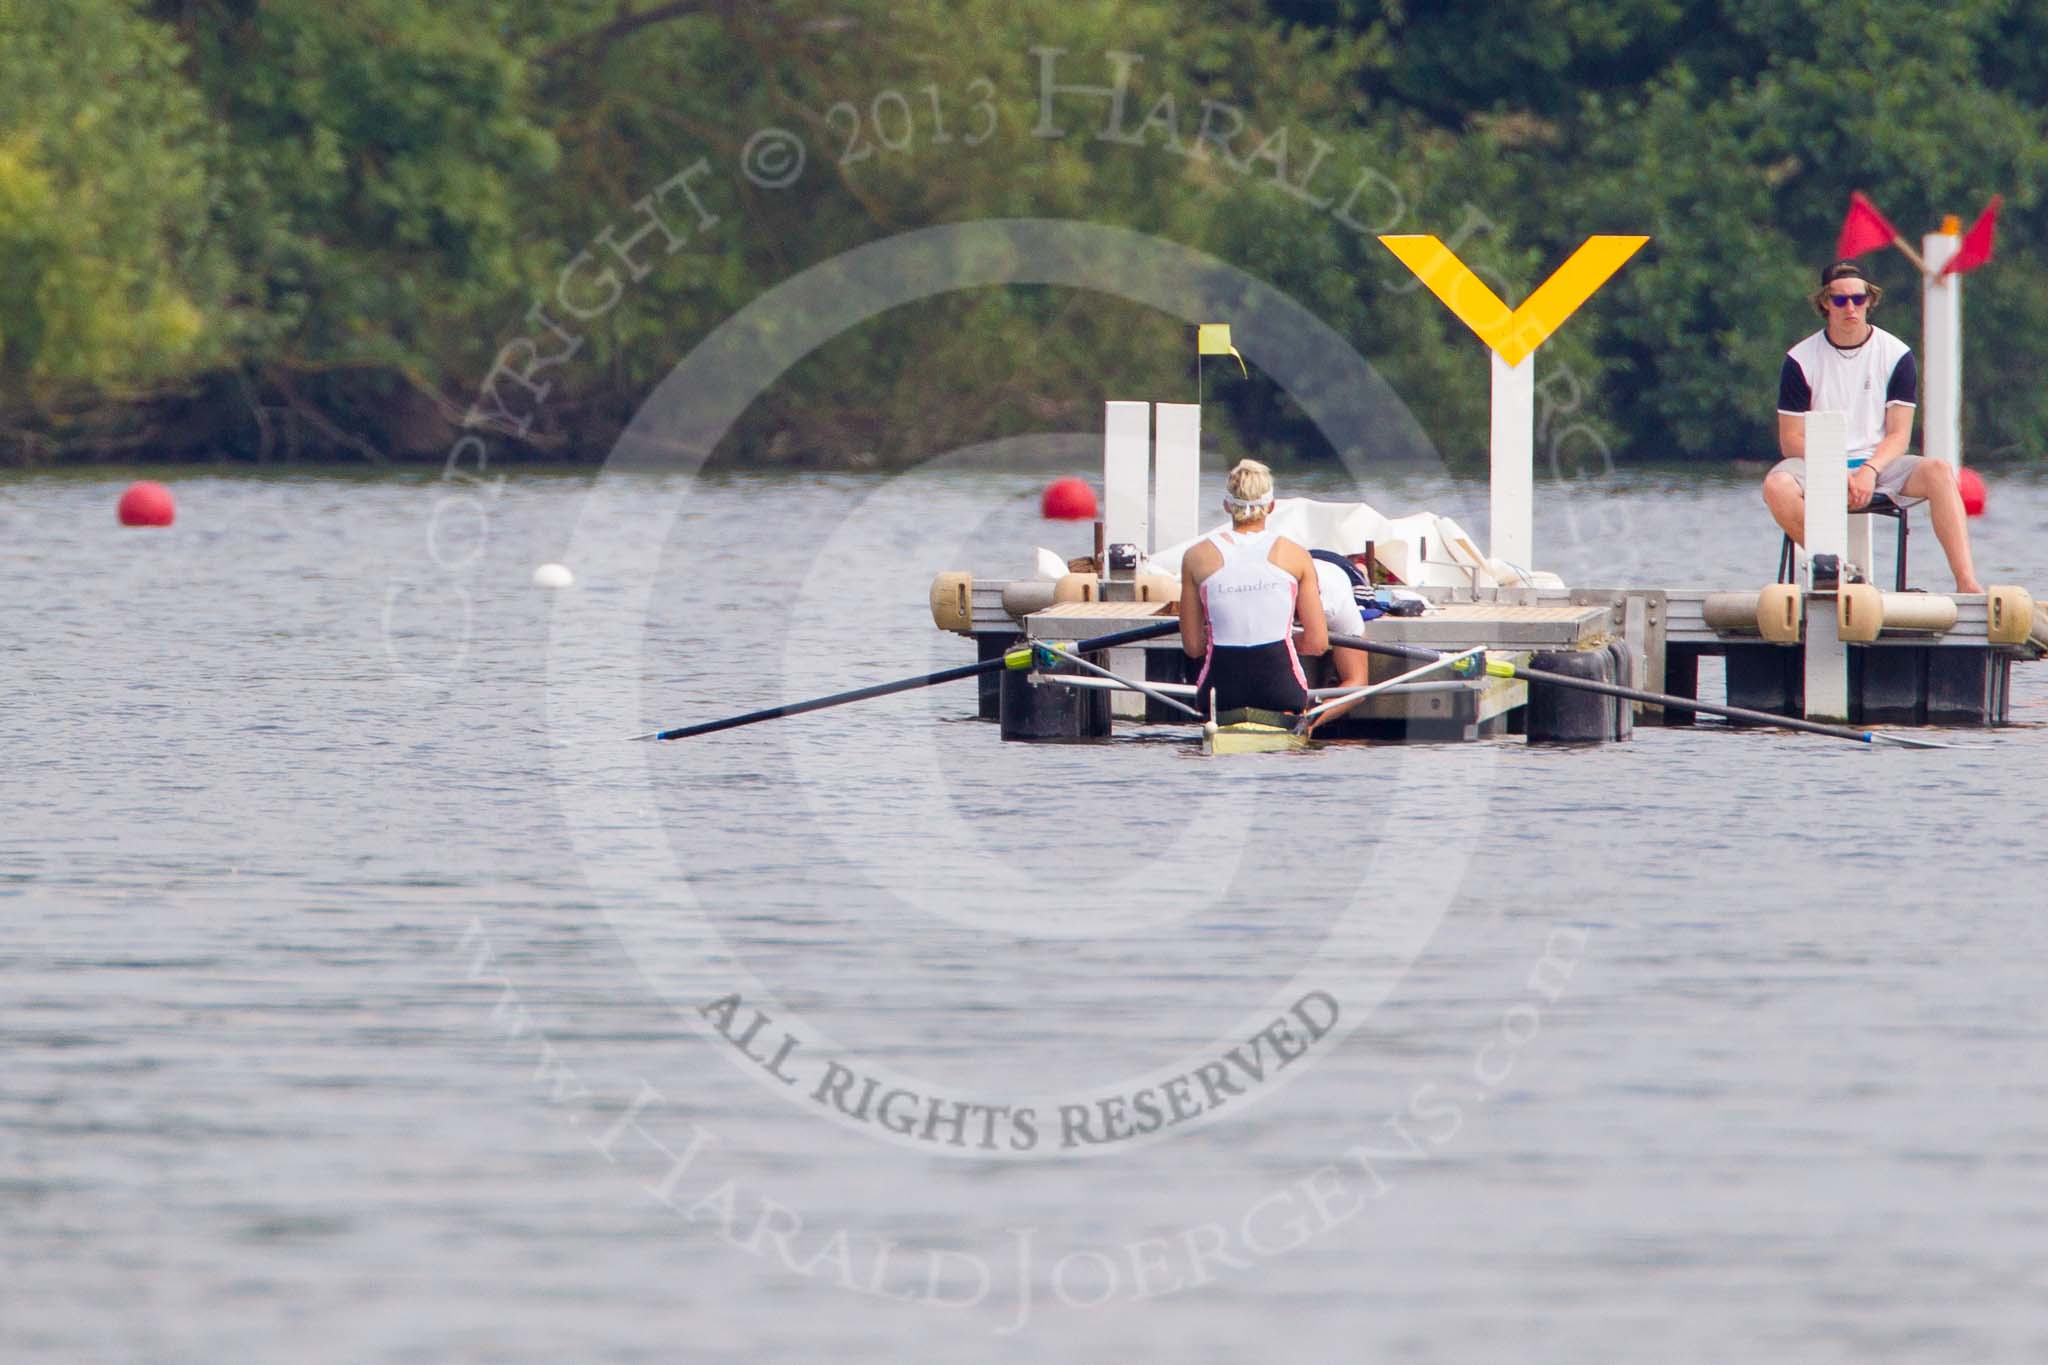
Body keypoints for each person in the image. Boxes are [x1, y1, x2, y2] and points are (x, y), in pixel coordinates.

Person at [1763, 259, 1983, 593]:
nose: (1850, 308)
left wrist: (1868, 470)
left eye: (1858, 299)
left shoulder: (1896, 354)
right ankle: (1838, 569)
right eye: (1840, 300)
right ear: (1825, 303)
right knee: (1776, 486)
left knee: (1939, 471)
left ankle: (1966, 583)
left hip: (1879, 463)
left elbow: (1899, 434)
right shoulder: (1800, 360)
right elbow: (1791, 439)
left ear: (1869, 300)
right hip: (1819, 463)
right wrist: (1836, 471)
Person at [1178, 459, 1328, 716]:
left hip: (1220, 690)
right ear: (1271, 506)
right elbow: (1317, 643)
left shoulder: (1196, 557)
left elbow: (1193, 647)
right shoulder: (1296, 555)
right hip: (1281, 688)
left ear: (1227, 505)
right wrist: (1284, 643)